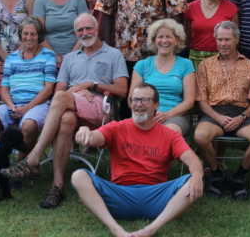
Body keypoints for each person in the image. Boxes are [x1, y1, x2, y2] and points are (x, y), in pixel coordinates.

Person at [0, 13, 129, 209]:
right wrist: (75, 92)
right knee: (66, 118)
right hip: (71, 105)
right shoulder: (70, 59)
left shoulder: (113, 54)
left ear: (97, 29)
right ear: (75, 33)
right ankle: (57, 186)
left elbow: (122, 90)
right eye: (80, 30)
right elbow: (60, 91)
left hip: (98, 106)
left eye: (88, 28)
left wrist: (91, 84)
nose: (85, 33)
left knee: (61, 98)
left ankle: (33, 159)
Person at [71, 82, 203, 237]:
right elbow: (95, 137)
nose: (138, 104)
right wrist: (85, 130)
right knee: (79, 176)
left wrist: (197, 176)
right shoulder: (117, 127)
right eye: (135, 100)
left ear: (156, 105)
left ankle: (151, 229)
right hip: (119, 196)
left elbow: (193, 160)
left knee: (192, 179)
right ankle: (116, 229)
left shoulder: (170, 135)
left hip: (156, 197)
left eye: (145, 100)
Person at [95, 0, 188, 119]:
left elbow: (177, 11)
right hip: (124, 51)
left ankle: (154, 130)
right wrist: (108, 47)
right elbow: (106, 10)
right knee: (127, 99)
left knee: (152, 97)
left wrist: (175, 45)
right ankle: (126, 131)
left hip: (155, 52)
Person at [194, 21, 250, 200]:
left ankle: (238, 177)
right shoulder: (205, 65)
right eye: (219, 39)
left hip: (242, 114)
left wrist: (242, 117)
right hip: (214, 114)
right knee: (200, 136)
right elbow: (201, 100)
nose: (223, 43)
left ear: (237, 39)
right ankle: (217, 175)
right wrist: (218, 117)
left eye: (227, 39)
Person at [0, 16, 56, 161]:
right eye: (25, 33)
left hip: (37, 105)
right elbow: (4, 89)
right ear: (20, 34)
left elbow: (48, 89)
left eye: (33, 34)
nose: (29, 37)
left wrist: (26, 108)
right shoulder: (11, 58)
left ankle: (21, 166)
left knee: (29, 125)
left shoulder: (48, 55)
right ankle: (0, 162)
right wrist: (11, 106)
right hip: (13, 105)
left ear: (39, 36)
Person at [129, 19, 195, 137]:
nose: (164, 41)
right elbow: (131, 99)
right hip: (145, 114)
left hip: (175, 116)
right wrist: (149, 113)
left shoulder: (186, 64)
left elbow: (189, 101)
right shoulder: (142, 65)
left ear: (177, 40)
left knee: (166, 135)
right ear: (154, 40)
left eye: (168, 36)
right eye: (160, 37)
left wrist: (167, 115)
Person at [33, 0, 88, 66]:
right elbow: (38, 34)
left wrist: (72, 55)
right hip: (48, 57)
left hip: (78, 55)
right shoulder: (41, 0)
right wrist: (54, 56)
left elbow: (86, 30)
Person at [184, 0, 239, 68]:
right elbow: (187, 37)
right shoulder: (191, 8)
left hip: (223, 59)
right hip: (195, 60)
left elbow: (235, 39)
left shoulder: (231, 9)